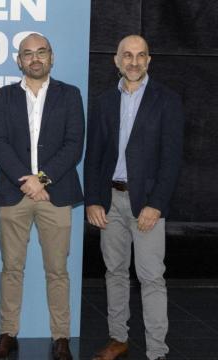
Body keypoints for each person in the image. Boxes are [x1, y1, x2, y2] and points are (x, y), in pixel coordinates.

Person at [85, 35, 184, 360]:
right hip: (110, 201)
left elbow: (171, 159)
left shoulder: (166, 100)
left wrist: (156, 204)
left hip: (147, 205)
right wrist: (93, 200)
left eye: (141, 56)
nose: (134, 62)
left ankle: (157, 351)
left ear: (149, 60)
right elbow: (95, 156)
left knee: (151, 277)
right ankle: (119, 339)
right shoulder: (103, 101)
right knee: (114, 272)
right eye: (127, 55)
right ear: (116, 60)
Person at [0, 33, 85, 360]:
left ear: (51, 57)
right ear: (19, 60)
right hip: (14, 195)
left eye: (41, 52)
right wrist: (24, 180)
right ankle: (7, 333)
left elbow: (74, 145)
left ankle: (61, 337)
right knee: (11, 268)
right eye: (28, 54)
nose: (35, 59)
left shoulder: (70, 95)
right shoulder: (3, 97)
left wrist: (40, 179)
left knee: (57, 270)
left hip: (54, 195)